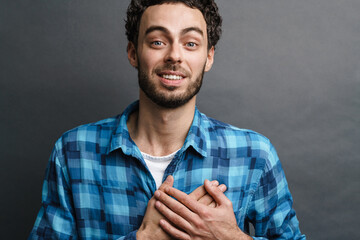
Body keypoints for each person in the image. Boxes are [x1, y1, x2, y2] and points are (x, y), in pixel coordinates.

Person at [29, 0, 306, 239]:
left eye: (191, 43)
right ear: (133, 53)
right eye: (158, 42)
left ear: (208, 57)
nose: (174, 55)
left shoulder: (255, 155)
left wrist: (228, 237)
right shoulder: (73, 152)